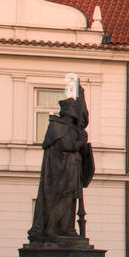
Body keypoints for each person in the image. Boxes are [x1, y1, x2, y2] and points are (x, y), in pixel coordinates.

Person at [28, 86, 95, 242]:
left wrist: (83, 144)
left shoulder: (72, 128)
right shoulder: (57, 127)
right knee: (61, 198)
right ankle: (51, 227)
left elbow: (78, 149)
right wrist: (80, 141)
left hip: (72, 169)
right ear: (68, 112)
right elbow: (67, 146)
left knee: (71, 198)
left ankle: (67, 228)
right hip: (60, 171)